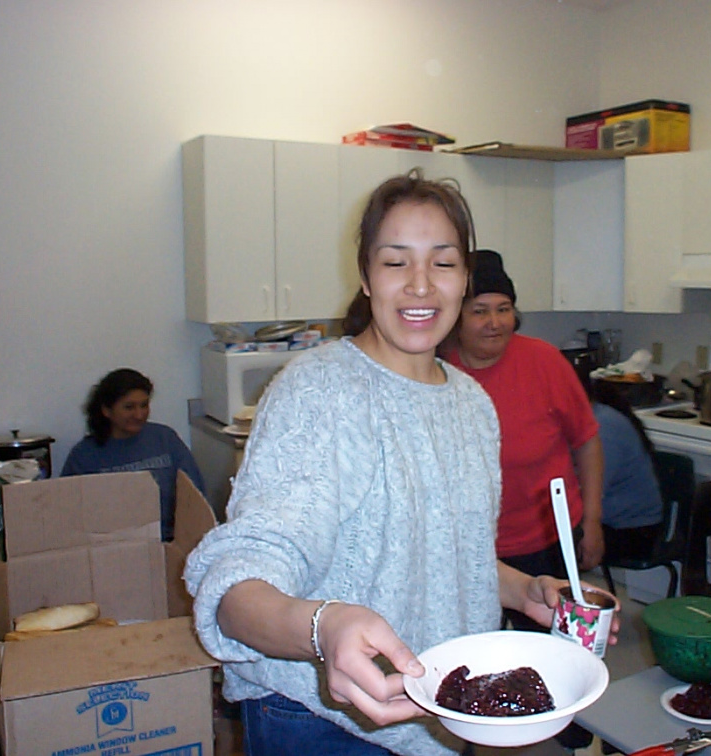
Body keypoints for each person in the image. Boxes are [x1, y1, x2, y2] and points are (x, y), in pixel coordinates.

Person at [183, 171, 620, 756]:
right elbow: (239, 583)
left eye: (442, 263)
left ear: (464, 278)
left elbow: (441, 553)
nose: (421, 286)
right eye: (396, 262)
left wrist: (525, 591)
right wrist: (324, 627)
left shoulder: (470, 402)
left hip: (434, 711)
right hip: (320, 715)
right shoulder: (318, 391)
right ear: (365, 276)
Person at [443, 250, 606, 633]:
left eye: (504, 309)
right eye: (479, 310)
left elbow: (587, 441)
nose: (495, 322)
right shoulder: (439, 372)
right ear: (455, 316)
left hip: (548, 540)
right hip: (472, 547)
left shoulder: (544, 362)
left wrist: (595, 521)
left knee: (553, 656)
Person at [61, 368, 205, 541]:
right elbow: (68, 516)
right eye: (129, 407)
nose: (139, 415)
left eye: (144, 405)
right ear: (107, 410)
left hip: (169, 543)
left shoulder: (165, 439)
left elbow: (196, 495)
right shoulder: (84, 455)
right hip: (111, 549)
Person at [591, 378, 664, 561]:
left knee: (544, 546)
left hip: (634, 532)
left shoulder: (603, 425)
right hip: (617, 523)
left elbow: (590, 490)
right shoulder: (601, 415)